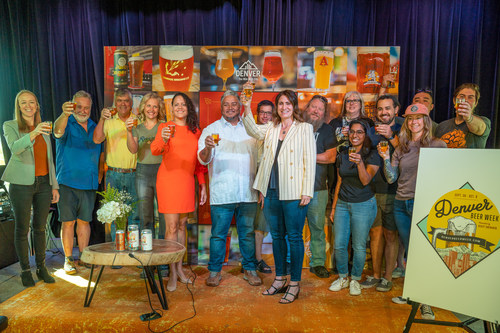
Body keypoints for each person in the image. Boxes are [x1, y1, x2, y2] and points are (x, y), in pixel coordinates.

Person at [243, 90, 316, 304]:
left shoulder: (304, 128)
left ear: (294, 106)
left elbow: (309, 160)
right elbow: (253, 130)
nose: (284, 107)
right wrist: (246, 106)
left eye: (288, 103)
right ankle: (279, 279)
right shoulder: (272, 128)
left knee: (294, 237)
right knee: (276, 237)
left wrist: (307, 190)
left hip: (294, 191)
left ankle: (294, 283)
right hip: (272, 190)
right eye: (280, 103)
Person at [379, 103, 447, 319]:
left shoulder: (438, 145)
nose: (414, 122)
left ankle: (426, 302)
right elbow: (391, 177)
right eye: (410, 119)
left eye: (418, 118)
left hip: (425, 206)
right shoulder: (401, 148)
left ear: (425, 121)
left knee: (424, 254)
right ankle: (412, 294)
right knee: (410, 252)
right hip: (401, 204)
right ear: (406, 123)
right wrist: (384, 159)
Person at [198, 90, 262, 288]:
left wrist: (260, 189)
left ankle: (250, 269)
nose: (231, 107)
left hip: (247, 192)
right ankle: (215, 272)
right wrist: (208, 147)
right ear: (221, 106)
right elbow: (203, 158)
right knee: (218, 235)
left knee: (247, 234)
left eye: (234, 103)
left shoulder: (252, 130)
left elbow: (260, 161)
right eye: (227, 104)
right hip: (222, 192)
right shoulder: (211, 129)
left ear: (240, 105)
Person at [2, 90, 59, 287]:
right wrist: (34, 132)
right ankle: (25, 270)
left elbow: (50, 159)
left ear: (37, 106)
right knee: (22, 227)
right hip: (20, 184)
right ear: (18, 106)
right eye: (23, 103)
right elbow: (15, 148)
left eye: (32, 102)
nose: (28, 106)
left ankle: (41, 267)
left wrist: (54, 185)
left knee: (40, 227)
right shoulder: (10, 126)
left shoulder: (44, 127)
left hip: (44, 183)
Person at [151, 92, 207, 291]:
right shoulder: (164, 127)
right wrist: (164, 139)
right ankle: (172, 273)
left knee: (183, 226)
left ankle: (180, 268)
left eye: (183, 104)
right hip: (168, 181)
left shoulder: (196, 131)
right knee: (172, 228)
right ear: (171, 108)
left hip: (186, 182)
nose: (180, 107)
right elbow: (155, 150)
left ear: (188, 107)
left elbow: (199, 164)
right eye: (176, 105)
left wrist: (202, 184)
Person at [328, 119, 380, 296]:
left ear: (365, 135)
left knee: (358, 246)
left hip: (363, 205)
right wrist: (334, 208)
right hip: (342, 203)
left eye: (359, 132)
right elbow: (339, 182)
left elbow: (366, 180)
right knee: (340, 244)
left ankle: (355, 279)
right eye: (352, 132)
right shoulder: (342, 154)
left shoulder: (372, 155)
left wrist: (359, 163)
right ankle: (343, 277)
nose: (354, 135)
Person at [54, 90, 103, 275]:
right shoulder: (66, 122)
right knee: (68, 222)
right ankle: (68, 260)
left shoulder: (94, 125)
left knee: (85, 221)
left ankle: (83, 257)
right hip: (67, 182)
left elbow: (101, 151)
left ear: (91, 109)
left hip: (89, 184)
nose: (83, 110)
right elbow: (57, 132)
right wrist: (64, 114)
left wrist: (99, 173)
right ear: (72, 105)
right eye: (79, 106)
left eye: (86, 107)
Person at [361, 94, 403, 292]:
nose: (383, 112)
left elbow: (409, 154)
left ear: (396, 109)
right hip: (371, 191)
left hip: (393, 192)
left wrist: (391, 136)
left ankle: (388, 277)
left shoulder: (404, 128)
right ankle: (376, 275)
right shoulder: (370, 131)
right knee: (375, 233)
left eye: (388, 108)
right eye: (380, 109)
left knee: (390, 234)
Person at [93, 88, 138, 240]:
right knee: (114, 216)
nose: (123, 104)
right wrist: (101, 119)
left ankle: (132, 252)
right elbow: (97, 139)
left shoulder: (138, 120)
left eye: (126, 100)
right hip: (113, 174)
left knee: (134, 215)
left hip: (134, 174)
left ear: (131, 103)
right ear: (115, 103)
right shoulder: (108, 120)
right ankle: (117, 252)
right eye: (119, 100)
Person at [302, 95, 336, 279]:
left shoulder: (327, 130)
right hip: (295, 188)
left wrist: (305, 156)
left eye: (320, 109)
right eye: (313, 107)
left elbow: (330, 157)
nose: (316, 111)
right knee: (292, 228)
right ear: (307, 109)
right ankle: (292, 261)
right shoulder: (296, 126)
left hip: (318, 188)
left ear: (324, 113)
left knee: (316, 228)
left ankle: (318, 263)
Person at [253, 100, 274, 273]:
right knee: (248, 224)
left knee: (260, 224)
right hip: (247, 182)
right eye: (262, 112)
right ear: (257, 114)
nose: (265, 116)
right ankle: (251, 260)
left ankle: (258, 260)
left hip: (265, 184)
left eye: (268, 113)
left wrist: (263, 188)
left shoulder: (275, 133)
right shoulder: (249, 132)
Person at [435, 83, 491, 148]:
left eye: (470, 97)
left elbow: (479, 128)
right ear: (454, 100)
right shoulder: (441, 126)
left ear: (476, 103)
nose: (465, 100)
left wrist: (469, 118)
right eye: (462, 96)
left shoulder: (484, 121)